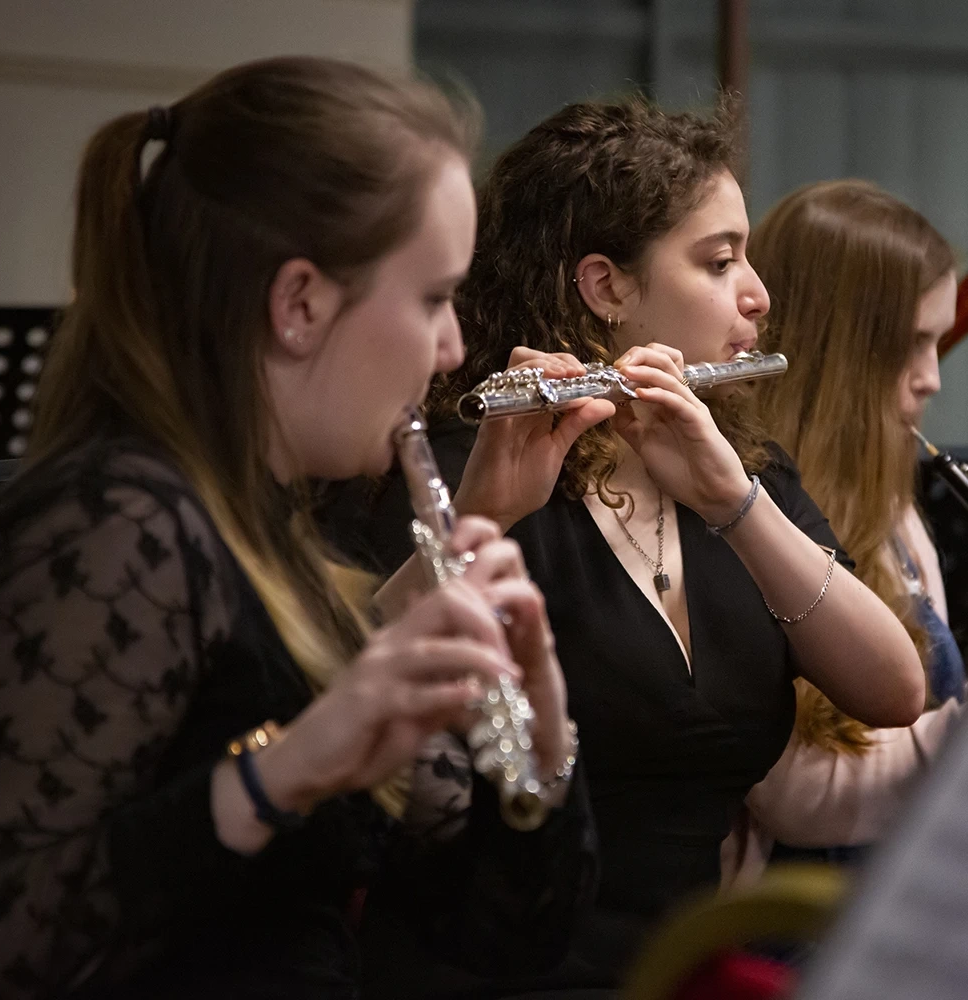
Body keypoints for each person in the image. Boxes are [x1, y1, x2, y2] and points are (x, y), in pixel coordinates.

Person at [0, 57, 594, 999]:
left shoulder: (277, 542)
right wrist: (281, 772)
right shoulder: (116, 530)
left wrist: (542, 744)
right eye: (432, 298)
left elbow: (501, 937)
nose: (454, 349)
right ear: (299, 303)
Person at [321, 98, 925, 991]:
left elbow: (894, 689)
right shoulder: (453, 465)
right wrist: (484, 512)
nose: (758, 292)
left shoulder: (739, 466)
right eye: (721, 262)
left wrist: (733, 502)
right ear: (605, 287)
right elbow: (329, 705)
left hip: (678, 970)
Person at [718, 180, 966, 882]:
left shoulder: (896, 515)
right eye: (913, 345)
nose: (932, 379)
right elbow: (799, 799)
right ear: (842, 356)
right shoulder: (741, 516)